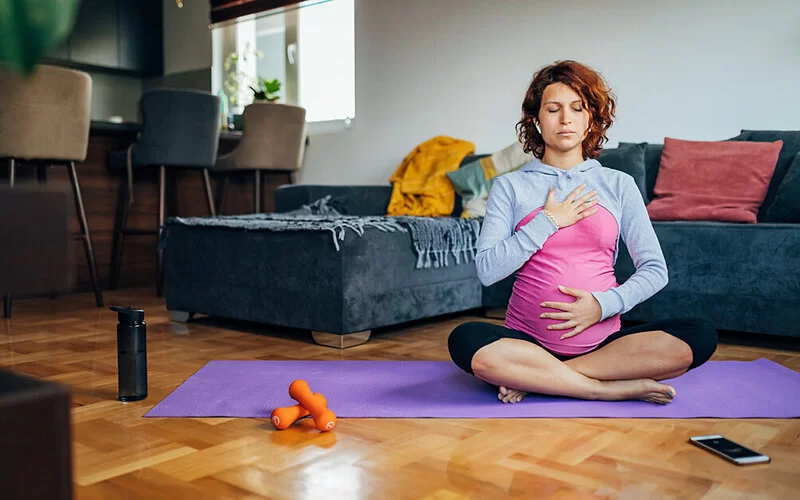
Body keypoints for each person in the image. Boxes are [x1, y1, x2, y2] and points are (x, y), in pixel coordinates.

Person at [448, 60, 717, 405]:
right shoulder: (510, 186)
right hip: (525, 342)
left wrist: (603, 305)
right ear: (536, 120)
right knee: (465, 339)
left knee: (700, 334)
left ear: (591, 119)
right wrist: (547, 222)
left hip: (604, 345)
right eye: (553, 109)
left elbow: (655, 270)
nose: (565, 119)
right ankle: (599, 387)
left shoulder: (618, 184)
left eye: (577, 108)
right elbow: (487, 272)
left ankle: (542, 379)